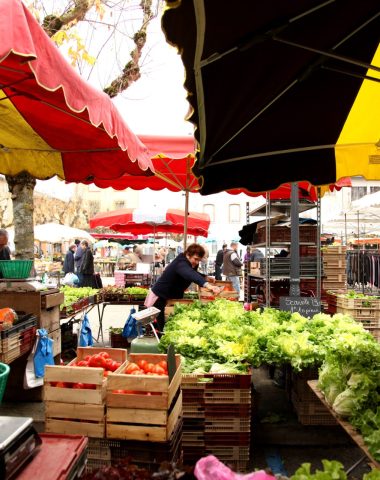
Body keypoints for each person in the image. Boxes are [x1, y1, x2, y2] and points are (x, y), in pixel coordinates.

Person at [146, 243, 221, 334]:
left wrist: (205, 277)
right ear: (188, 255)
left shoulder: (189, 262)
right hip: (160, 296)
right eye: (195, 259)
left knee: (169, 325)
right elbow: (189, 273)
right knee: (162, 328)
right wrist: (207, 285)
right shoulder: (181, 262)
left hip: (171, 296)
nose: (197, 262)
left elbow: (193, 272)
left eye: (199, 260)